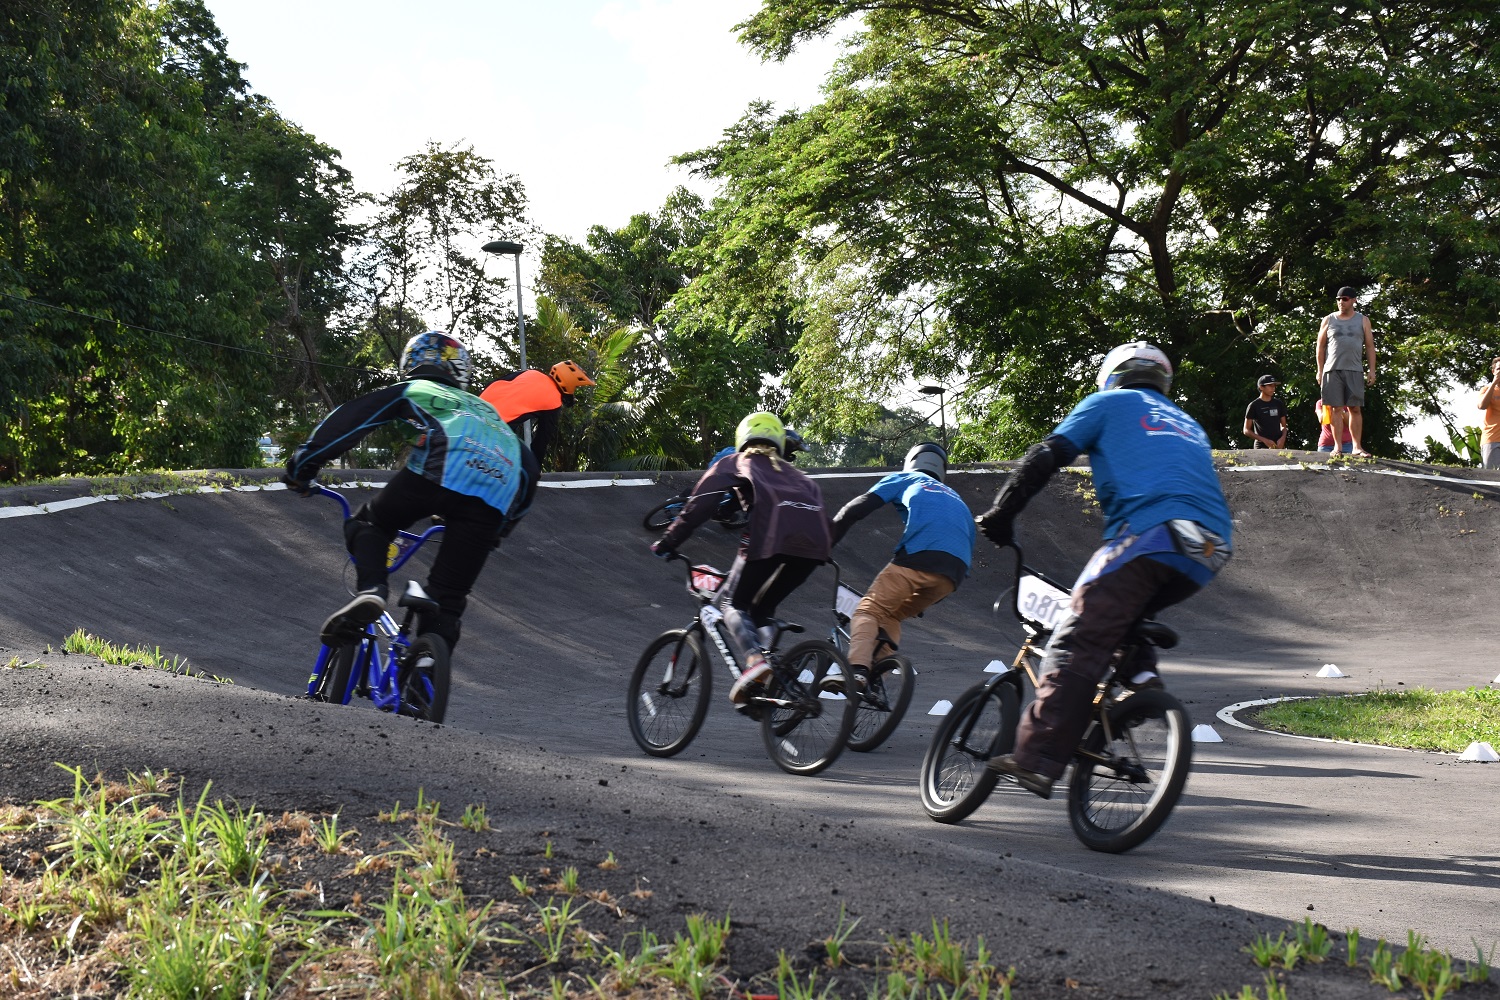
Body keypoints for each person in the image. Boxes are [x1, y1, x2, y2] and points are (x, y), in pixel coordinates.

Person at [974, 342, 1232, 798]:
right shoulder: (1187, 423)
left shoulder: (1108, 403)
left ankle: (1036, 759)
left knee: (1076, 637)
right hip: (1211, 547)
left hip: (1152, 532)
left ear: (1113, 376)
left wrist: (1001, 513)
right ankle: (1141, 685)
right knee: (1121, 617)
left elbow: (1045, 455)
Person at [283, 331, 539, 653]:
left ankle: (372, 591)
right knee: (447, 600)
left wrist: (303, 466)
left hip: (440, 469)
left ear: (411, 363)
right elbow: (529, 470)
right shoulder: (489, 414)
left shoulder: (417, 389)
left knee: (369, 524)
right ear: (460, 373)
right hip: (495, 494)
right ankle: (428, 667)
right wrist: (500, 529)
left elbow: (353, 419)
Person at [652, 411, 832, 704]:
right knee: (761, 610)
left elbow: (700, 505)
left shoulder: (736, 461)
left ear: (743, 438)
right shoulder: (798, 475)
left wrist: (669, 541)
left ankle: (755, 661)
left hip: (770, 536)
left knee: (731, 603)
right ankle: (772, 677)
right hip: (815, 547)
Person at [829, 442, 974, 681]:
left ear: (911, 462)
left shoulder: (906, 478)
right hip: (953, 574)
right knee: (892, 616)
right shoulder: (957, 498)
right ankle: (876, 680)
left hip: (919, 557)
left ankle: (857, 670)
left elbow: (856, 508)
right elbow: (965, 545)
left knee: (868, 610)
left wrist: (827, 541)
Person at [479, 361, 595, 468]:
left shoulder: (531, 373)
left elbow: (497, 383)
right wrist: (535, 469)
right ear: (569, 384)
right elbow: (540, 443)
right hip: (494, 430)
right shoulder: (554, 401)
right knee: (526, 471)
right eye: (575, 387)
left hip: (475, 412)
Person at [1316, 287, 1377, 457]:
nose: (1341, 302)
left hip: (1355, 369)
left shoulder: (1363, 320)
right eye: (1338, 299)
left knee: (1355, 408)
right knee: (1335, 409)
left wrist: (1372, 370)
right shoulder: (1328, 319)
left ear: (1354, 300)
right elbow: (1320, 346)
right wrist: (1320, 370)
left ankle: (1357, 447)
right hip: (1332, 369)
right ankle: (1337, 447)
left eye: (1345, 299)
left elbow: (1370, 346)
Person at [1242, 375, 1287, 449]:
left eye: (1274, 385)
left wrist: (1282, 439)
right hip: (1261, 447)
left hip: (1278, 446)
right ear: (1261, 387)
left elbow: (1284, 426)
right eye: (1270, 385)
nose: (1273, 388)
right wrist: (1264, 440)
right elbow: (1246, 430)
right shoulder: (1254, 405)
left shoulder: (1278, 403)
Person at [1477, 357, 1500, 470]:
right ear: (1493, 371)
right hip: (1492, 439)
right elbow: (1482, 406)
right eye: (1499, 369)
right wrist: (1494, 382)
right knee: (1492, 476)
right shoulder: (1486, 389)